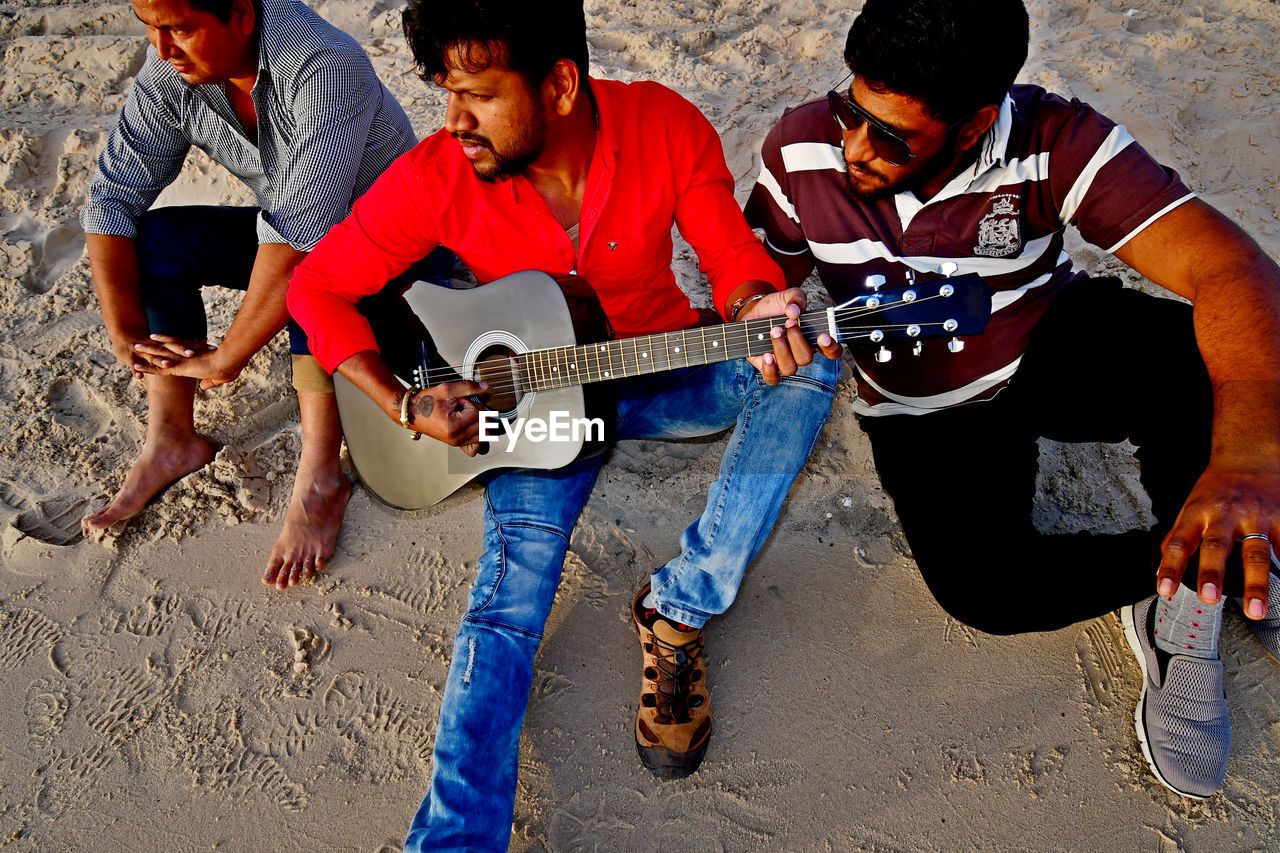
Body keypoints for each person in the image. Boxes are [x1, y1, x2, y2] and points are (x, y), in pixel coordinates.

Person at [287, 0, 842, 847]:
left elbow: (729, 256)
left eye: (476, 94)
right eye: (444, 92)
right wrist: (404, 402)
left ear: (559, 85)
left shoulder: (664, 126)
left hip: (658, 369)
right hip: (533, 410)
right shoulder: (439, 173)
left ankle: (679, 605)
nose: (453, 121)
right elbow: (316, 288)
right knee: (503, 609)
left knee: (814, 353)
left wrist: (754, 302)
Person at [746, 0, 1280, 801]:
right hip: (920, 401)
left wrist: (1247, 458)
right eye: (850, 109)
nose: (853, 146)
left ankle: (1197, 604)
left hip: (1039, 337)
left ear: (973, 126)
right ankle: (1189, 574)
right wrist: (758, 301)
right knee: (985, 593)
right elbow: (757, 270)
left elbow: (1234, 271)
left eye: (890, 135)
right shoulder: (799, 144)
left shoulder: (1054, 139)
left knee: (1208, 362)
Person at [79, 0, 427, 589]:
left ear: (242, 14)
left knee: (318, 265)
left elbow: (304, 232)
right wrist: (125, 330)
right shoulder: (174, 69)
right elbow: (112, 198)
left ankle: (322, 474)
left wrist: (227, 357)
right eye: (151, 28)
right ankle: (172, 439)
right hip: (304, 232)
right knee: (159, 240)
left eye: (181, 29)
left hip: (404, 259)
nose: (161, 49)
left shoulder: (321, 65)